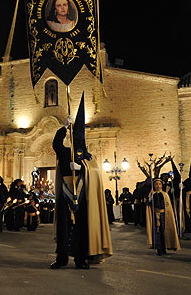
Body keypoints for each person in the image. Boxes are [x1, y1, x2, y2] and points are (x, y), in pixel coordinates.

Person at [50, 92, 112, 270]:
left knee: (82, 228)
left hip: (82, 194)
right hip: (66, 192)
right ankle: (61, 258)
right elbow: (56, 144)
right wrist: (64, 126)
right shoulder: (64, 152)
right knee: (64, 227)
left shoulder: (86, 157)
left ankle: (81, 259)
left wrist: (82, 168)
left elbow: (94, 171)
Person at [146, 178, 180, 255]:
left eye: (159, 184)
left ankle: (165, 247)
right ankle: (158, 248)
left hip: (164, 215)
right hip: (155, 215)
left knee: (164, 231)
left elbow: (167, 206)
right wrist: (150, 198)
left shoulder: (165, 194)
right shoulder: (152, 194)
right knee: (157, 232)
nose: (158, 186)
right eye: (156, 184)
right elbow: (148, 204)